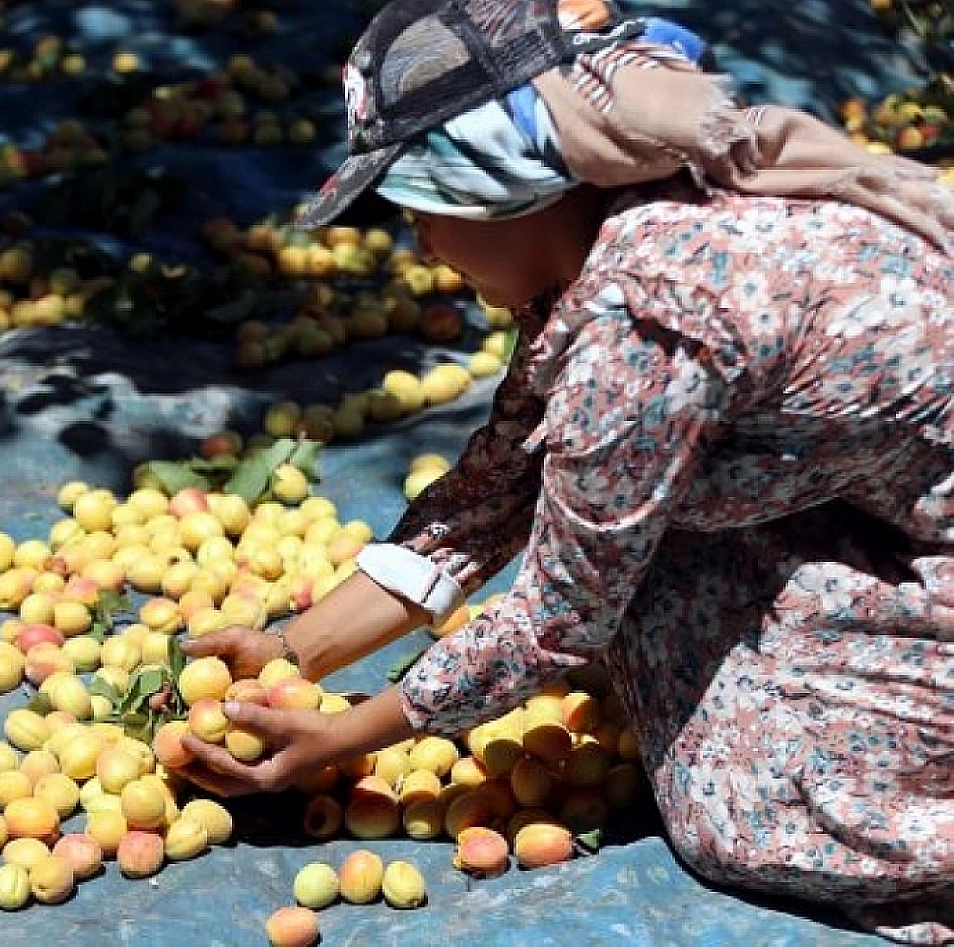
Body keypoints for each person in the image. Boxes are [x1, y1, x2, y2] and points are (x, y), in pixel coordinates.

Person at [173, 0, 954, 942]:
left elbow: (557, 617)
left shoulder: (645, 320)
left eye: (423, 207)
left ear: (496, 185)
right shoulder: (615, 239)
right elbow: (492, 493)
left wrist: (342, 736)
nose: (419, 241)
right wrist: (293, 655)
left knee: (741, 816)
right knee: (642, 583)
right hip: (881, 506)